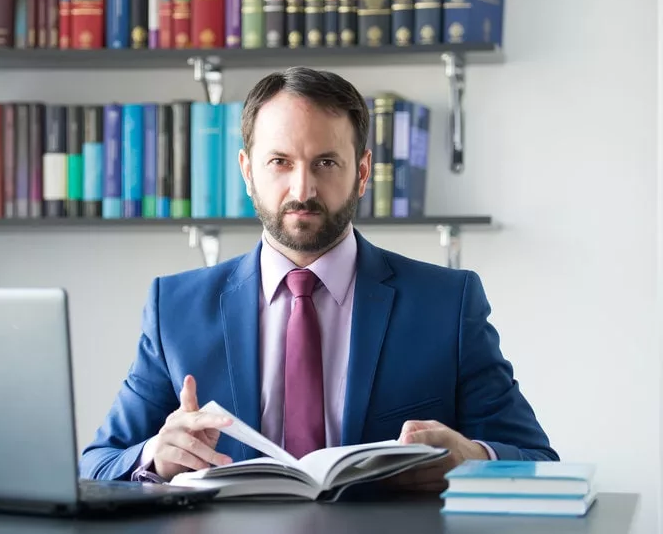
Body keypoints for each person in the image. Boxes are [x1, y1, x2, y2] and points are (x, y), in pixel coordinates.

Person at [79, 66, 558, 492]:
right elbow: (97, 465)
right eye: (280, 162)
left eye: (325, 163)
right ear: (247, 172)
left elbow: (537, 461)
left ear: (363, 172)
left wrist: (473, 460)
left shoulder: (447, 304)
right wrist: (154, 458)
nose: (302, 189)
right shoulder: (176, 308)